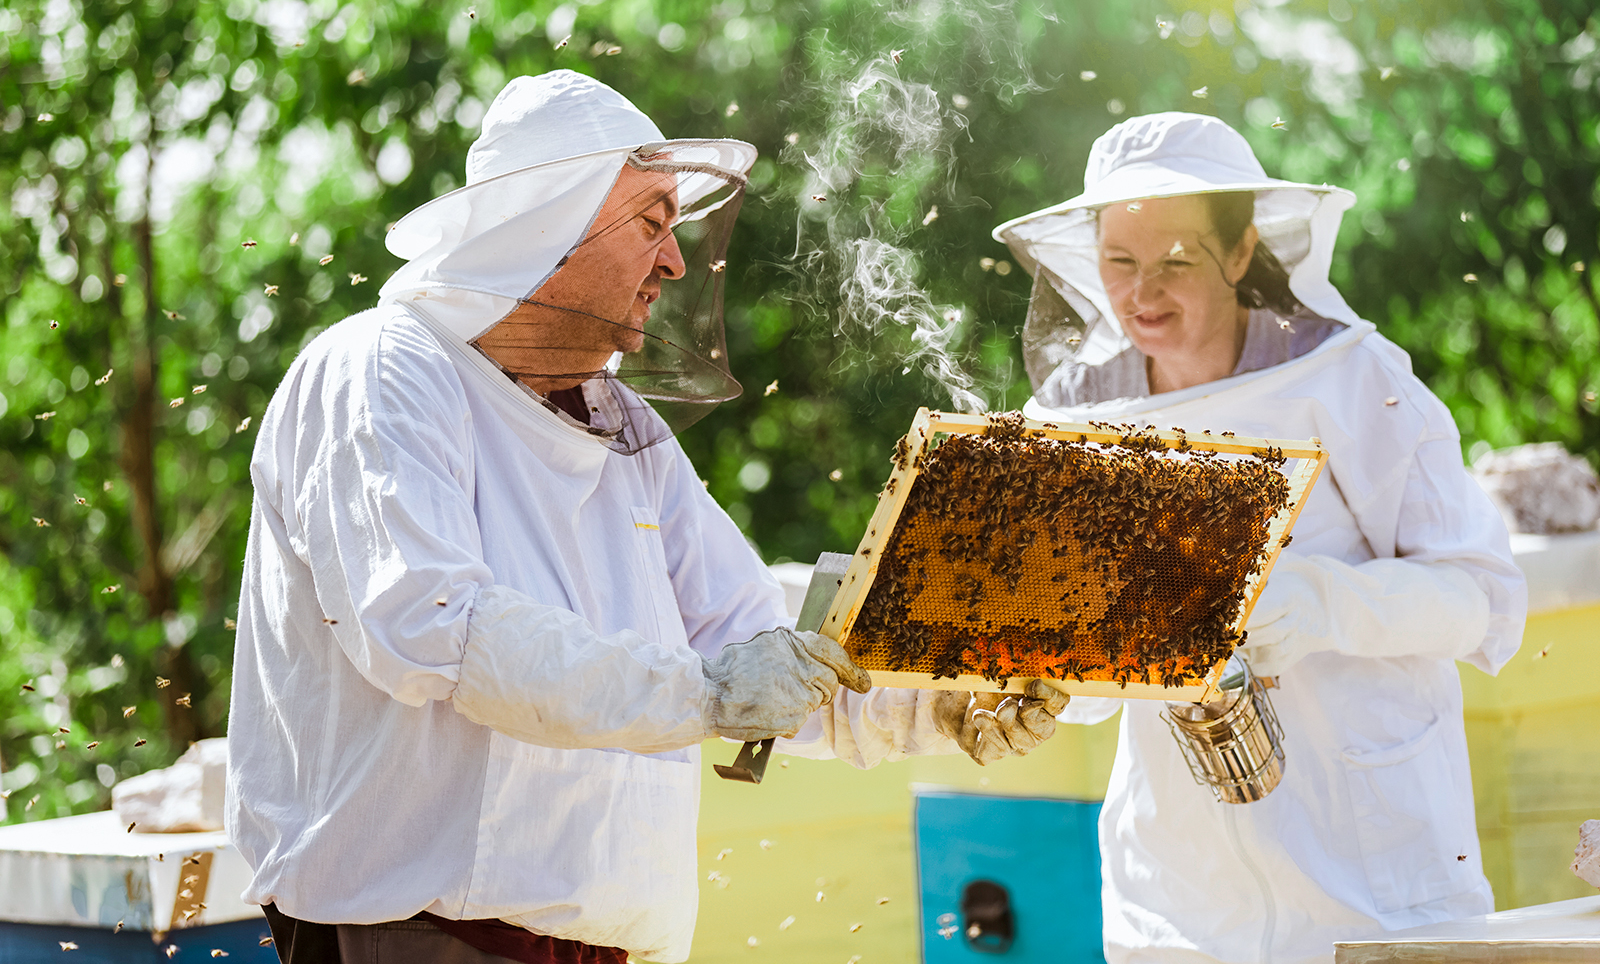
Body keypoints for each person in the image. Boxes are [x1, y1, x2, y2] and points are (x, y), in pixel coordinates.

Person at [226, 70, 1065, 964]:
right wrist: (705, 695)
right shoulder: (382, 370)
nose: (673, 262)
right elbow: (434, 630)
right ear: (547, 222)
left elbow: (765, 645)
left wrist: (942, 703)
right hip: (414, 934)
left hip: (607, 942)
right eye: (652, 223)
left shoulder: (627, 428)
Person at [991, 112, 1526, 964]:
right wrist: (1045, 666)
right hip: (1176, 903)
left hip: (1376, 882)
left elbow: (1484, 598)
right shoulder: (1075, 417)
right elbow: (1087, 681)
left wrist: (1318, 605)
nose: (1143, 294)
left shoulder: (1354, 378)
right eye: (1119, 264)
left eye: (1176, 261)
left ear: (1241, 254)